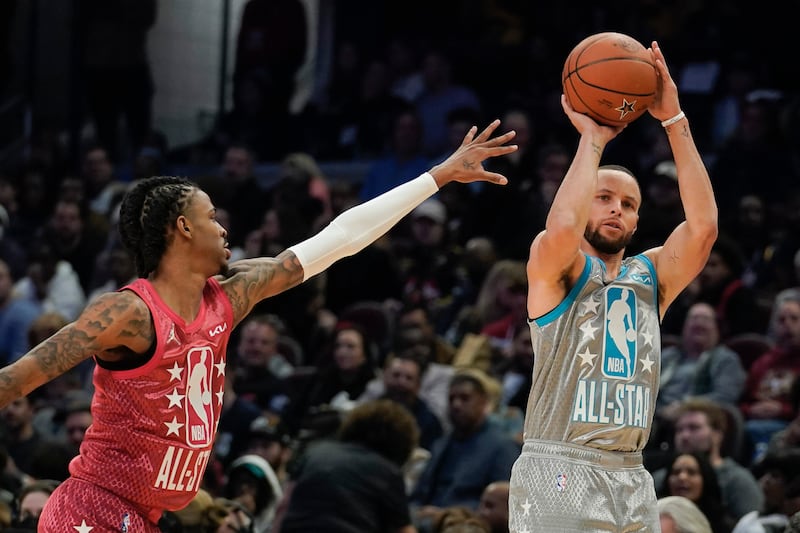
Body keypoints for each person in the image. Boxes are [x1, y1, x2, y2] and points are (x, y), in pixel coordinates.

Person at [0, 120, 516, 531]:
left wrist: (438, 176)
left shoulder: (232, 294)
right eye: (211, 217)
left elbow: (340, 238)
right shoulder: (127, 314)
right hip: (92, 512)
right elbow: (15, 381)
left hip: (147, 516)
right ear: (182, 228)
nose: (225, 228)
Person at [509, 41, 719, 532]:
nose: (615, 210)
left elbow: (704, 227)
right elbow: (561, 228)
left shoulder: (650, 278)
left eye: (628, 203)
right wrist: (593, 139)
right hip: (560, 465)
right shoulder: (556, 269)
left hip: (632, 472)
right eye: (603, 198)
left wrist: (674, 121)